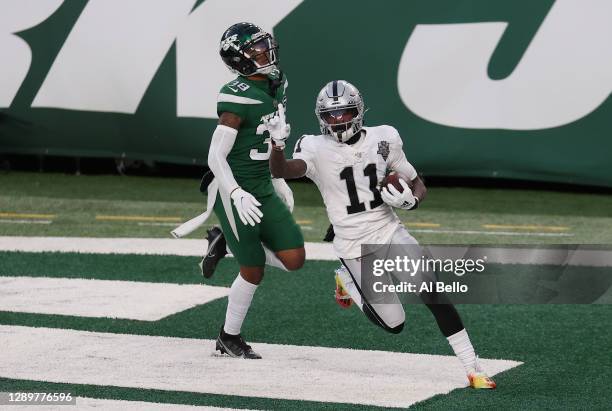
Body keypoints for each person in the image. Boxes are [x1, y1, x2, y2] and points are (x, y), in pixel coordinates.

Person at [267, 80, 496, 389]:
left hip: (388, 230)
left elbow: (417, 182)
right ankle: (347, 280)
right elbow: (282, 171)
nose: (338, 120)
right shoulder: (314, 147)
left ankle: (473, 368)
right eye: (331, 115)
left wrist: (411, 201)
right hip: (352, 244)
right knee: (395, 324)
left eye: (344, 112)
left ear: (358, 111)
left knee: (431, 290)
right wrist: (277, 145)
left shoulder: (384, 138)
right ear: (321, 117)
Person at [205, 22, 305, 359]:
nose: (266, 52)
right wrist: (234, 192)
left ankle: (226, 244)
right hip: (234, 186)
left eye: (265, 45)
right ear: (241, 60)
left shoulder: (277, 82)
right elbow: (215, 155)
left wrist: (278, 178)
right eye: (256, 50)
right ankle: (228, 336)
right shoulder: (236, 95)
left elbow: (269, 138)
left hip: (262, 182)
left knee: (295, 258)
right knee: (254, 271)